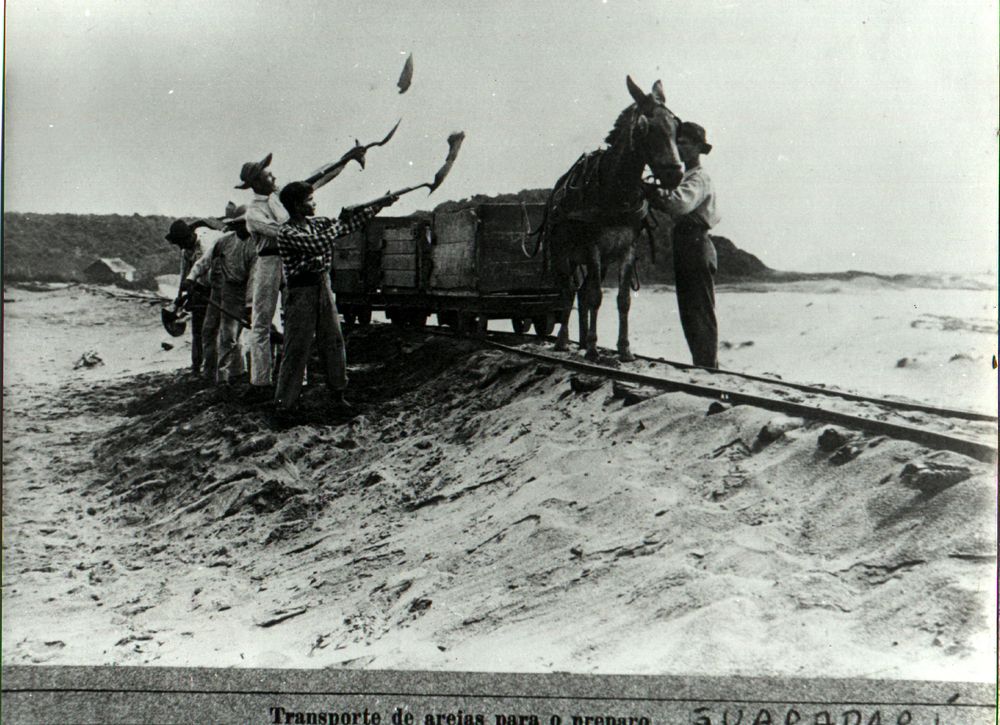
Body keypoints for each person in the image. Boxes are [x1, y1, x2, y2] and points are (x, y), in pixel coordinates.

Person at [237, 148, 367, 398]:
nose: (273, 176)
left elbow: (316, 178)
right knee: (261, 322)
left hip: (295, 260)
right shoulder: (253, 213)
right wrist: (319, 232)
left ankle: (301, 380)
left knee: (296, 321)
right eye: (267, 175)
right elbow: (285, 233)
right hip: (268, 262)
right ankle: (261, 381)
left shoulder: (280, 196)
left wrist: (344, 159)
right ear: (255, 182)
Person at [273, 181, 396, 415]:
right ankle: (285, 405)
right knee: (297, 347)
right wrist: (339, 222)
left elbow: (353, 225)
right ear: (297, 206)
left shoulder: (319, 224)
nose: (314, 203)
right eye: (309, 200)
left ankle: (337, 395)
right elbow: (318, 244)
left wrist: (379, 205)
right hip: (300, 292)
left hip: (323, 286)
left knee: (333, 340)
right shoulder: (286, 232)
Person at [648, 121, 721, 368]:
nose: (680, 148)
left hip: (696, 241)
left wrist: (651, 193)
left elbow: (679, 204)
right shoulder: (686, 177)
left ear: (700, 148)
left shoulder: (699, 178)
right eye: (677, 143)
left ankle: (707, 366)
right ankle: (702, 364)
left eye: (685, 144)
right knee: (690, 310)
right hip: (686, 242)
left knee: (699, 309)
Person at [165, 216, 224, 375]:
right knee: (197, 329)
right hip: (199, 286)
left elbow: (207, 275)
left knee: (212, 329)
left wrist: (192, 291)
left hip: (218, 284)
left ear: (190, 237)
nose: (181, 247)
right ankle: (197, 366)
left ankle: (213, 367)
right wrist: (179, 298)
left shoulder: (205, 244)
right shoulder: (185, 249)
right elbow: (184, 273)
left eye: (182, 243)